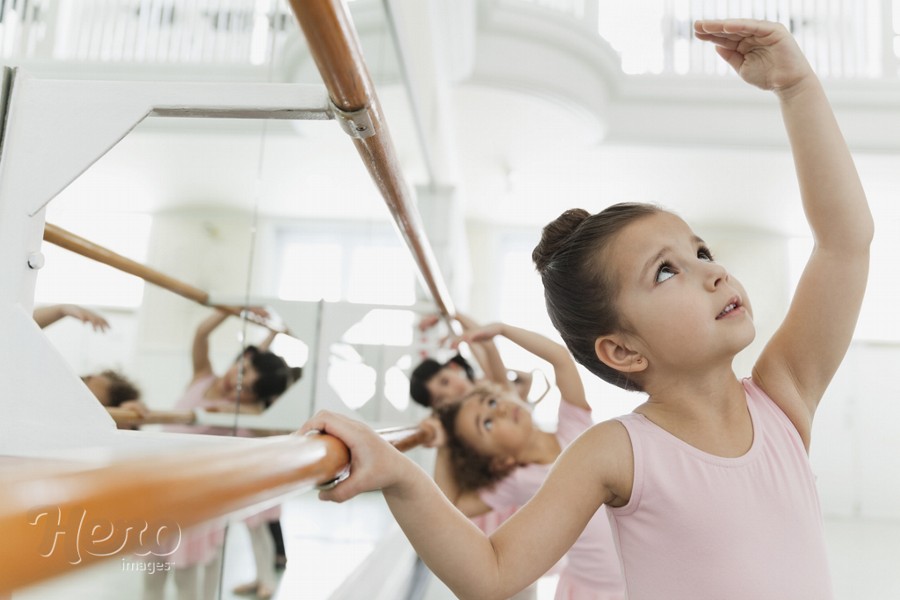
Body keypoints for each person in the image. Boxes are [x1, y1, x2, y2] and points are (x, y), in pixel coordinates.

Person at [298, 19, 872, 600]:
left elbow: (844, 244)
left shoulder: (783, 398)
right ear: (621, 349)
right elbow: (492, 573)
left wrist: (796, 87)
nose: (713, 271)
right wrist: (399, 475)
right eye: (667, 270)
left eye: (702, 251)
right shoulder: (615, 450)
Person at [433, 322, 624, 599]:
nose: (498, 412)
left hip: (650, 570)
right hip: (595, 590)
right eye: (486, 424)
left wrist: (503, 330)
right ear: (499, 461)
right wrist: (444, 445)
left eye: (492, 402)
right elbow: (451, 506)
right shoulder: (518, 480)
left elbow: (560, 357)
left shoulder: (574, 425)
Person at [146, 308, 294, 600]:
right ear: (242, 359)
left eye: (247, 389)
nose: (236, 384)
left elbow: (259, 410)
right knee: (154, 570)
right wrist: (229, 309)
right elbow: (202, 334)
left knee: (196, 570)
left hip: (197, 494)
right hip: (161, 485)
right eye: (241, 372)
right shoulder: (202, 377)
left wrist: (230, 408)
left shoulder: (240, 408)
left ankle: (256, 581)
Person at [34, 304, 149, 422]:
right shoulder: (42, 387)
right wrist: (61, 310)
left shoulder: (67, 414)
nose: (75, 384)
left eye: (84, 391)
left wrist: (128, 417)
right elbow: (18, 329)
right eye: (83, 380)